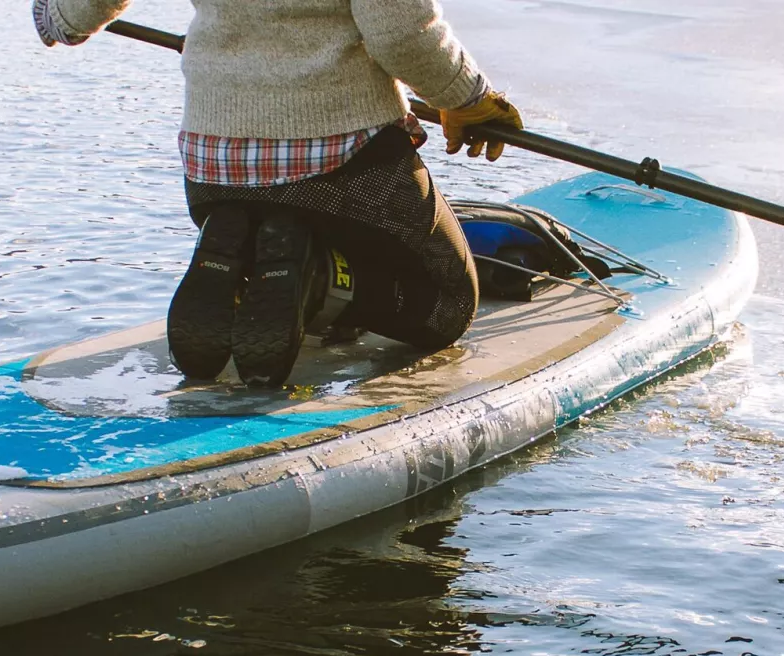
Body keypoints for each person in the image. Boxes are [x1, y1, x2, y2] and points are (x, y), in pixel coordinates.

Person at [35, 0, 524, 389]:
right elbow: (401, 35)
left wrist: (58, 18)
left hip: (214, 162)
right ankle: (314, 283)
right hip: (343, 159)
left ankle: (243, 256)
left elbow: (78, 11)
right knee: (447, 302)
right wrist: (470, 98)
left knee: (279, 221)